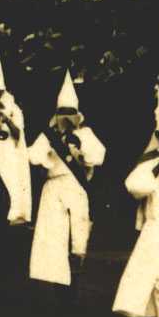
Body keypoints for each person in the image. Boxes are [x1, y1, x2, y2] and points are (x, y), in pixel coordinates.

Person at [24, 76, 104, 287]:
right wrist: (49, 151)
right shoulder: (49, 136)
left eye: (70, 114)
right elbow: (32, 155)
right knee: (52, 233)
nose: (66, 118)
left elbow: (99, 156)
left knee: (78, 232)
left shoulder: (85, 133)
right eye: (63, 114)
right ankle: (55, 280)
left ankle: (76, 272)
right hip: (54, 184)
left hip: (76, 185)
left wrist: (80, 148)